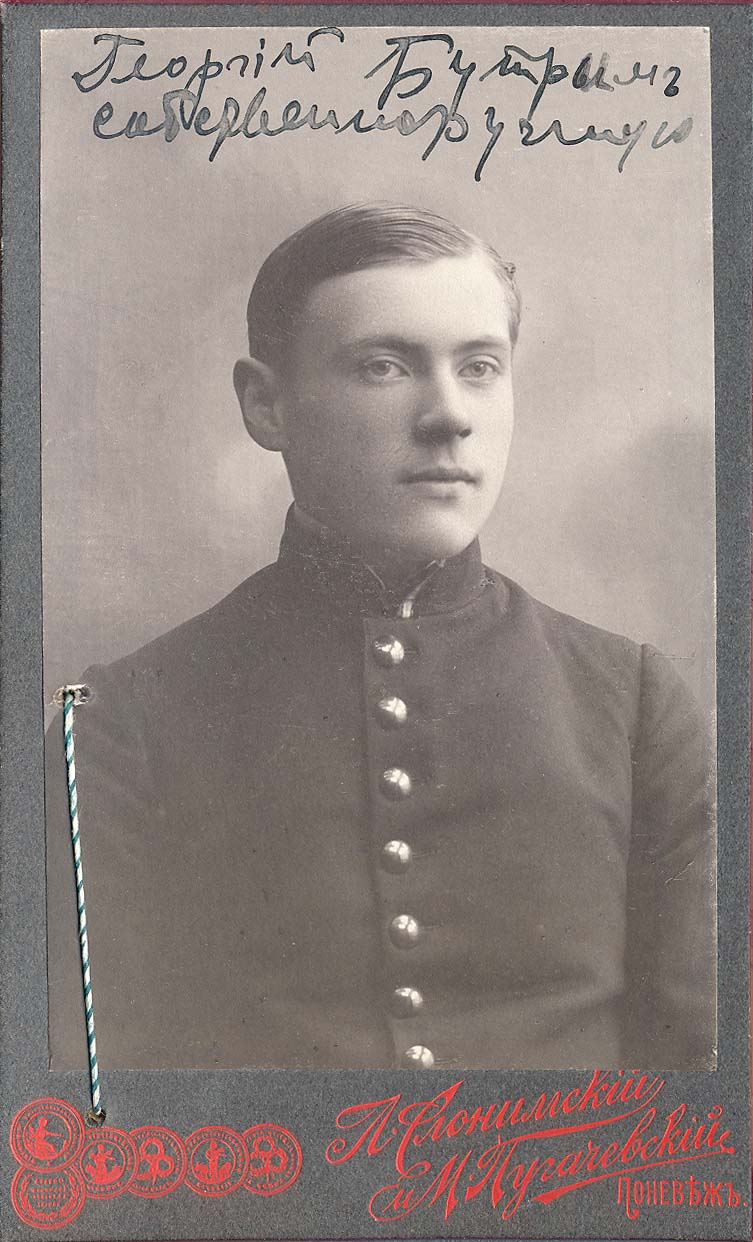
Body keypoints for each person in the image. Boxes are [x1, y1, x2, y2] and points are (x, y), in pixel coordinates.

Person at [46, 202, 716, 1072]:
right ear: (267, 405)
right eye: (384, 366)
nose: (449, 415)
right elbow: (96, 1105)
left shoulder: (633, 708)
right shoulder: (118, 728)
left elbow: (700, 1088)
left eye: (480, 367)